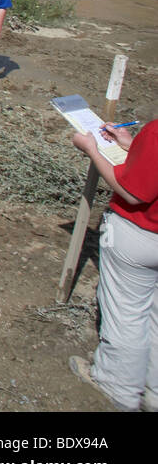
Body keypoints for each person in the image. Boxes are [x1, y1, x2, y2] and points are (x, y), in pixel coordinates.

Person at [68, 118, 158, 412]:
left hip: (140, 234)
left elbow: (133, 192)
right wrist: (133, 146)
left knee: (127, 313)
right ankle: (153, 391)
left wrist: (92, 149)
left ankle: (117, 385)